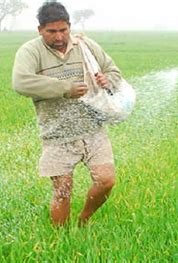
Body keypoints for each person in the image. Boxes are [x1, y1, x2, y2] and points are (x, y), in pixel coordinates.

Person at [12, 2, 122, 227]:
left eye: (63, 30)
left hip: (93, 128)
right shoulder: (31, 51)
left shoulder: (85, 45)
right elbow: (20, 82)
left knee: (106, 181)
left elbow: (113, 71)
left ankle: (83, 220)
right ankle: (60, 239)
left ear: (70, 26)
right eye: (51, 31)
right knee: (63, 191)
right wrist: (65, 88)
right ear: (40, 30)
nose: (59, 36)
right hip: (57, 134)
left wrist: (106, 80)